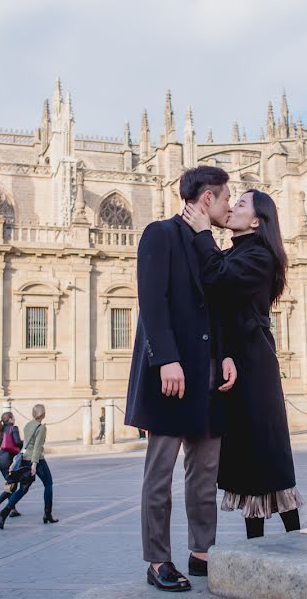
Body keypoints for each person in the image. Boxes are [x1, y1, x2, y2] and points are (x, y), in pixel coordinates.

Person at [125, 165, 238, 592]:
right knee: (161, 473)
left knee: (204, 472)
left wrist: (225, 355)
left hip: (209, 377)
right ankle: (157, 560)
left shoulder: (211, 245)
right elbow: (152, 301)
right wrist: (166, 359)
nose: (229, 205)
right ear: (206, 198)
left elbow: (220, 307)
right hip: (171, 377)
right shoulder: (160, 234)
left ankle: (201, 551)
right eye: (226, 198)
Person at [183, 188, 302, 541]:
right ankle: (258, 548)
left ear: (255, 221)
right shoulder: (239, 252)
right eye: (232, 202)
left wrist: (204, 231)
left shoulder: (260, 256)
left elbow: (218, 277)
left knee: (265, 447)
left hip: (255, 364)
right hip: (239, 358)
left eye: (241, 204)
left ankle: (297, 539)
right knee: (250, 451)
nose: (232, 208)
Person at [0, 404, 57, 528]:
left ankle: (4, 512)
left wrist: (18, 459)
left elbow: (25, 445)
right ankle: (47, 514)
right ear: (43, 414)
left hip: (25, 459)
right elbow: (37, 447)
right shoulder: (41, 428)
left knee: (23, 488)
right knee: (48, 484)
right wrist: (34, 464)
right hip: (37, 460)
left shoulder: (28, 425)